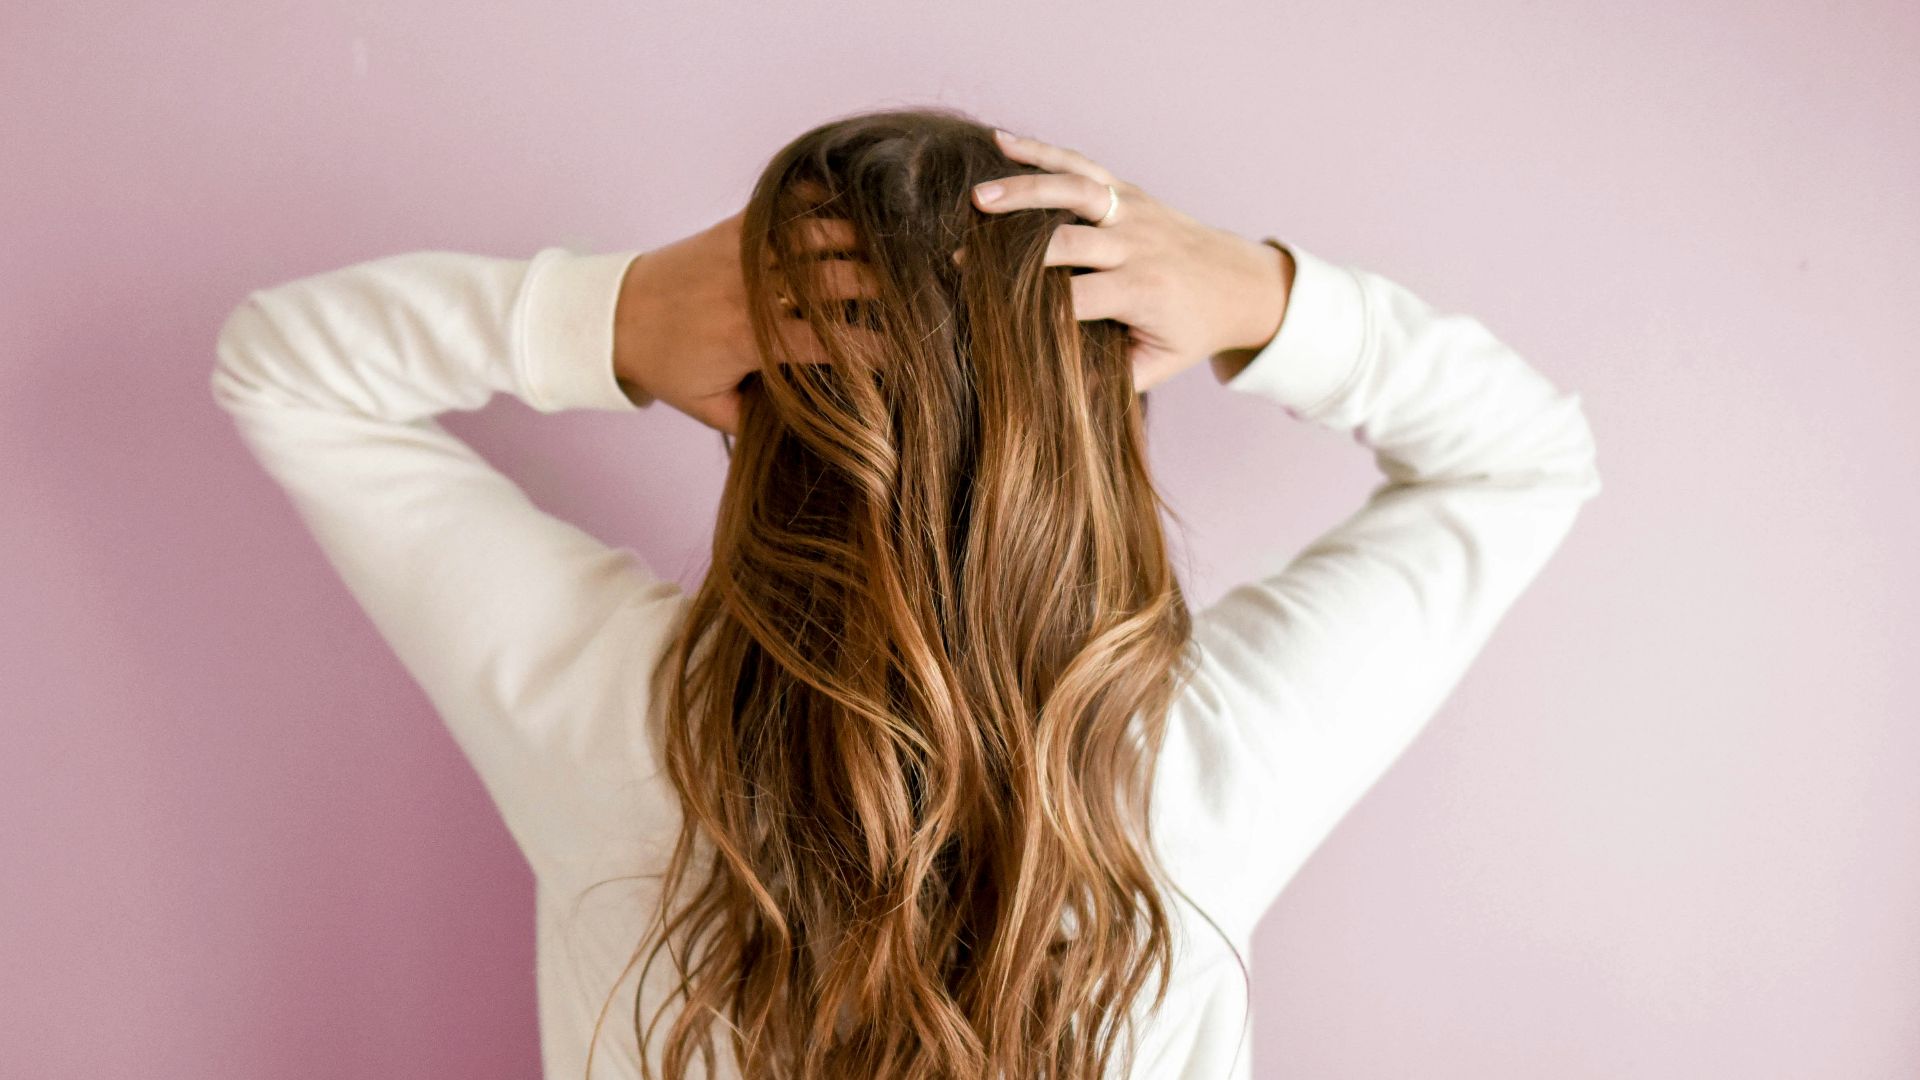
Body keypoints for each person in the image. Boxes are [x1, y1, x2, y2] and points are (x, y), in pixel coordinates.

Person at [210, 108, 1602, 1080]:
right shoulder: (1189, 773)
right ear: (1094, 430)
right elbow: (1524, 461)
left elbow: (282, 368)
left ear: (751, 407)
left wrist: (616, 313)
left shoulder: (621, 730)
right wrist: (1262, 296)